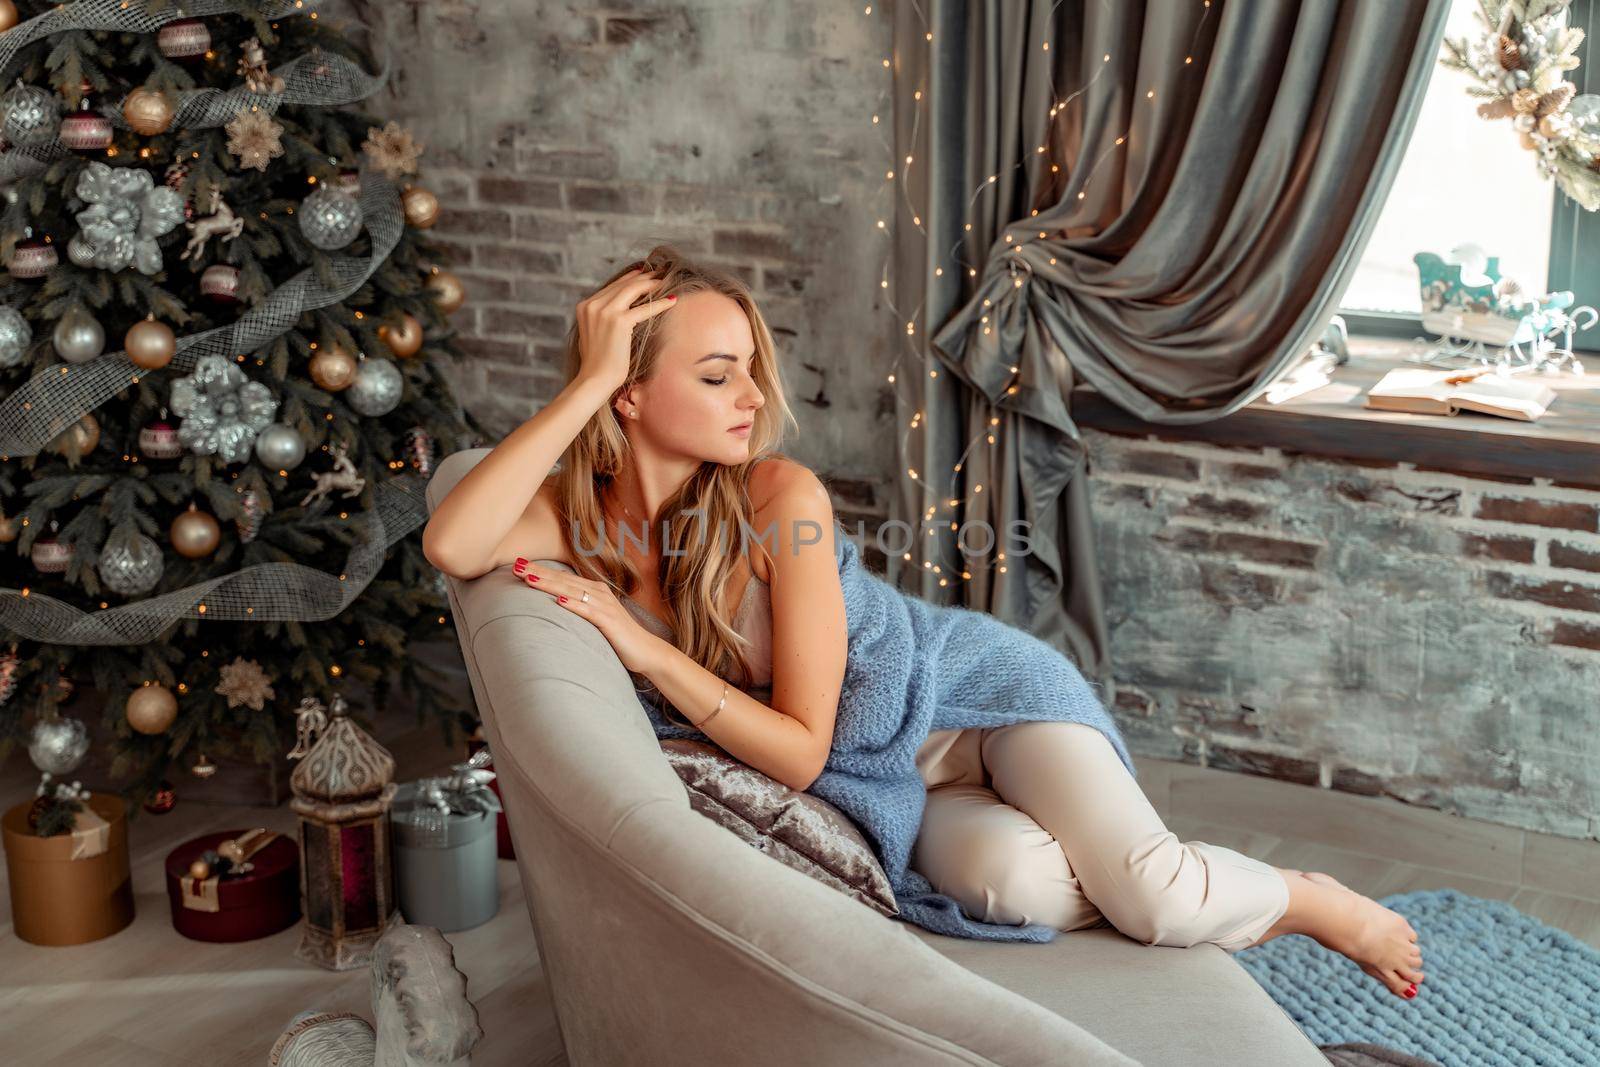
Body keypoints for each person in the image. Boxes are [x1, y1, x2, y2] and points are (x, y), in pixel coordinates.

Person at [423, 244, 1425, 1001]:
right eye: (716, 373)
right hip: (892, 777)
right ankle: (1131, 857)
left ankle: (1301, 896)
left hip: (971, 703)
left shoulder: (779, 495)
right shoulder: (578, 512)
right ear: (633, 391)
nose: (755, 396)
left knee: (1153, 898)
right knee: (1011, 891)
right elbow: (453, 542)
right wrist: (588, 381)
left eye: (751, 367)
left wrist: (640, 645)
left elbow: (803, 748)